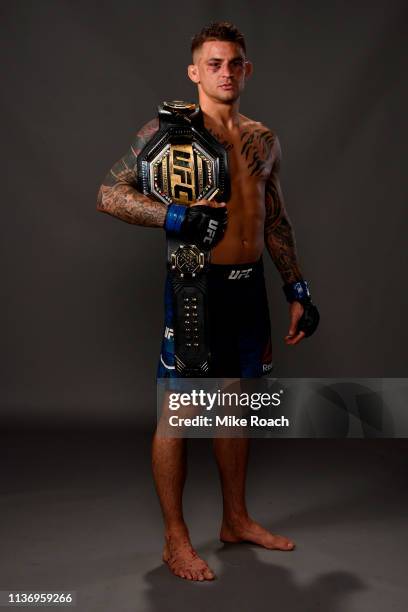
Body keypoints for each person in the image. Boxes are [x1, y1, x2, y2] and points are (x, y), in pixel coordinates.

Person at [97, 21, 319, 582]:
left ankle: (236, 519)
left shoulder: (263, 139)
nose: (225, 72)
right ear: (194, 72)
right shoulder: (168, 134)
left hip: (249, 291)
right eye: (213, 64)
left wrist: (297, 288)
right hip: (196, 287)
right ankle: (176, 540)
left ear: (247, 69)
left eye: (235, 62)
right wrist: (173, 215)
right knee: (179, 413)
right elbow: (109, 193)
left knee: (233, 406)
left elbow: (277, 221)